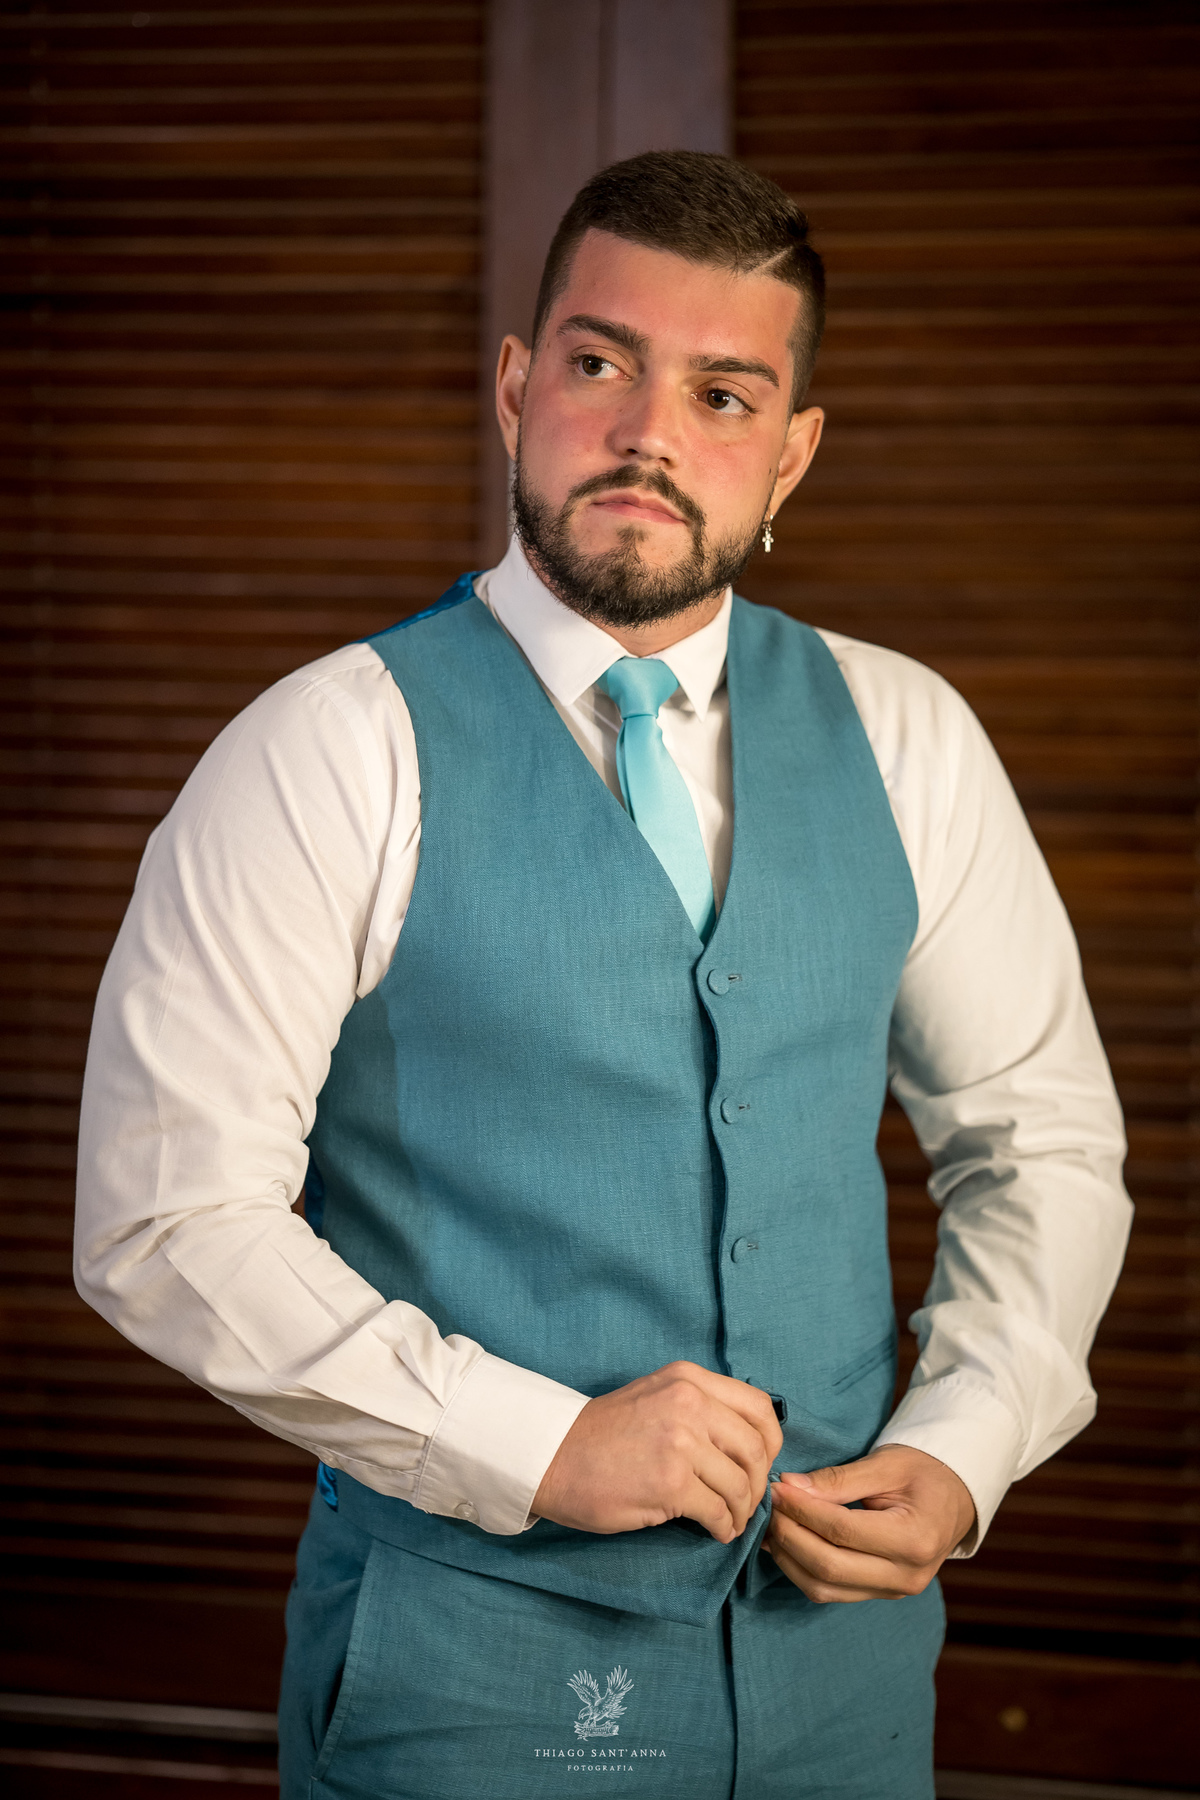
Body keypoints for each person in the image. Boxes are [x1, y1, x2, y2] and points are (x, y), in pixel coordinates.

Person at [75, 152, 1131, 1799]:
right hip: (464, 1683)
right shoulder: (329, 748)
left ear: (792, 453)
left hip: (844, 1683)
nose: (649, 433)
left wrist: (966, 1444)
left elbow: (1039, 1140)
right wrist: (537, 1442)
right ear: (516, 389)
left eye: (722, 394)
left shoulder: (909, 735)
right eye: (598, 363)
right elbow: (163, 1216)